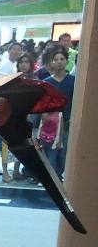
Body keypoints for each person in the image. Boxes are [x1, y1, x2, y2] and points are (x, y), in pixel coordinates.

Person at [39, 46, 75, 176]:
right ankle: (52, 178)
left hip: (67, 122)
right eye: (56, 59)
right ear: (51, 62)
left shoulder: (73, 81)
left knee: (64, 154)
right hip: (50, 124)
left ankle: (59, 175)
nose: (59, 62)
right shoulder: (46, 82)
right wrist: (44, 114)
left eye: (62, 59)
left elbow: (76, 101)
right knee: (50, 152)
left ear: (67, 61)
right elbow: (42, 102)